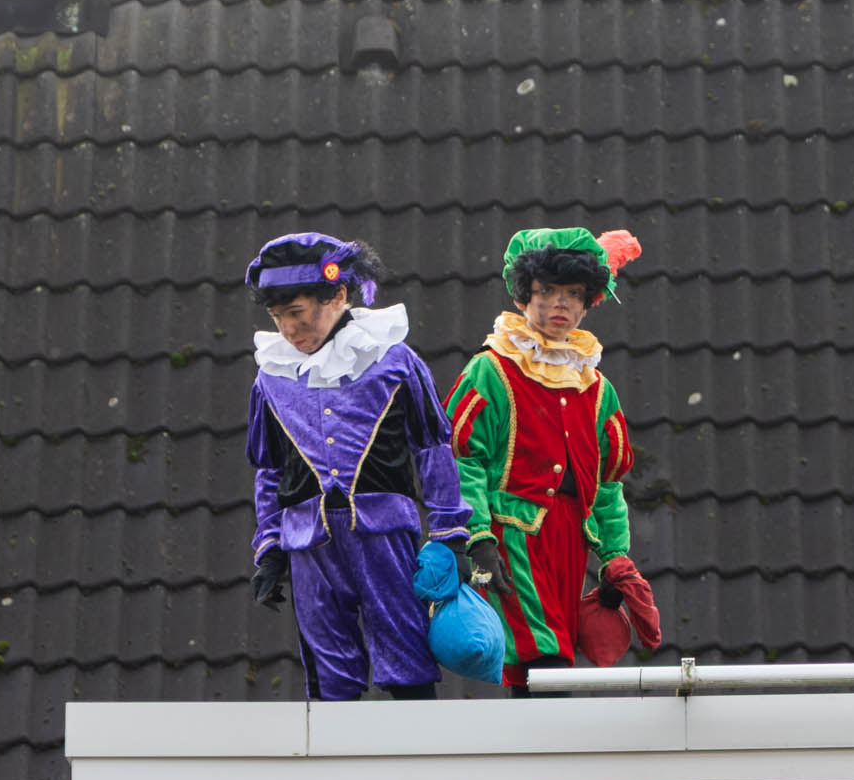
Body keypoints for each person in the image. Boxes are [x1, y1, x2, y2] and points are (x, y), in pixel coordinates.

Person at [244, 234, 473, 700]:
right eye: (277, 317)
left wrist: (450, 533)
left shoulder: (393, 360)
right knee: (329, 675)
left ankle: (419, 745)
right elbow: (270, 469)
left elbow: (432, 447)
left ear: (338, 296)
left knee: (405, 653)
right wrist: (269, 547)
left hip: (383, 533)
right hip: (308, 542)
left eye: (297, 313)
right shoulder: (271, 376)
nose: (288, 329)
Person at [445, 227, 662, 696]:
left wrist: (614, 557)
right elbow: (464, 460)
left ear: (588, 304)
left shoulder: (597, 387)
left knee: (549, 657)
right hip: (511, 533)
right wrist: (477, 535)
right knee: (542, 650)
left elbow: (607, 484)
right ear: (524, 296)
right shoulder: (491, 369)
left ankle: (534, 738)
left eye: (574, 293)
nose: (560, 304)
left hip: (570, 539)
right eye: (547, 291)